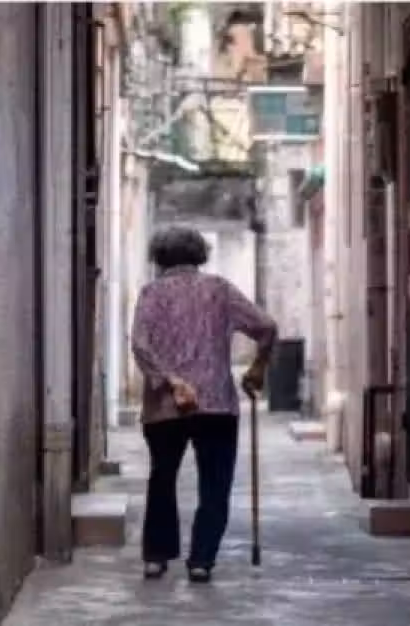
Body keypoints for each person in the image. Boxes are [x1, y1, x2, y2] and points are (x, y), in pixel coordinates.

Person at [130, 225, 278, 584]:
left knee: (162, 478)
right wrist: (258, 367)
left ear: (159, 257)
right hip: (216, 404)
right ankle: (201, 560)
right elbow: (266, 326)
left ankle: (156, 558)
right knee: (215, 483)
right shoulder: (220, 290)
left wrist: (170, 381)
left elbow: (139, 344)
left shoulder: (151, 293)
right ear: (199, 255)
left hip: (165, 406)